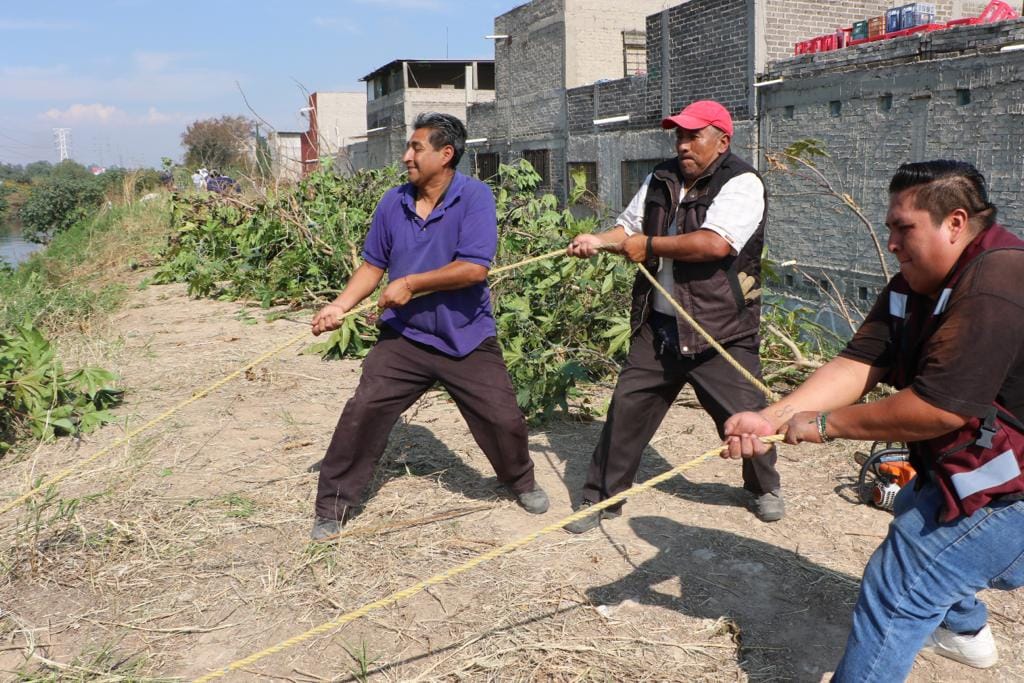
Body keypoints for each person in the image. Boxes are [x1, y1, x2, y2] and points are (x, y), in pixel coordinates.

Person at [724, 160, 1024, 680]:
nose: (890, 242)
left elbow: (939, 408)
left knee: (897, 590)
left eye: (902, 227)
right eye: (888, 227)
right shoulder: (914, 284)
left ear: (955, 222)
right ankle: (965, 632)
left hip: (1012, 493)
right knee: (915, 504)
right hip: (974, 467)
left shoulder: (998, 281)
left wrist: (825, 425)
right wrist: (773, 416)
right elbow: (861, 360)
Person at [309, 112, 549, 540]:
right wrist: (339, 305)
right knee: (363, 411)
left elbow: (474, 269)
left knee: (503, 419)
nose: (406, 157)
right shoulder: (393, 202)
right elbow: (371, 266)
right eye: (408, 147)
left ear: (446, 154)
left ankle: (521, 481)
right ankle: (332, 505)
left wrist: (411, 283)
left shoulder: (474, 198)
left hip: (466, 335)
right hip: (405, 336)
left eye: (416, 148)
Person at [563, 99, 782, 533]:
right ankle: (601, 498)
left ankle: (763, 488)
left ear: (722, 140)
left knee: (744, 414)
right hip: (658, 324)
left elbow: (716, 244)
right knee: (626, 409)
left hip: (720, 326)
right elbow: (628, 227)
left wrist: (650, 246)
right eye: (679, 135)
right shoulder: (659, 178)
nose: (683, 144)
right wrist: (598, 239)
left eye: (693, 135)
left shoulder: (741, 183)